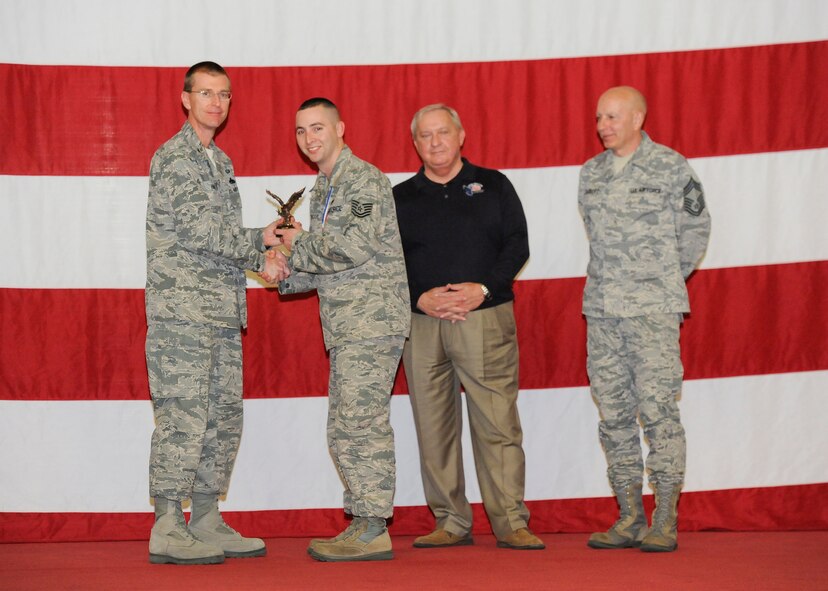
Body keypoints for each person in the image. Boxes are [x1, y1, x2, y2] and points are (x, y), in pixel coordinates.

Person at [145, 61, 288, 565]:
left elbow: (218, 241)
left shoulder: (219, 162)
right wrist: (260, 246)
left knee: (221, 420)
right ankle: (167, 523)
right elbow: (200, 233)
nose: (215, 103)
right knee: (183, 418)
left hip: (221, 314)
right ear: (185, 99)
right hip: (182, 314)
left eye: (223, 95)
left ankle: (204, 517)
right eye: (205, 93)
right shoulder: (176, 157)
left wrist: (260, 254)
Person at [392, 104, 544, 551]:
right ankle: (450, 520)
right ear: (415, 142)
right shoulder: (399, 197)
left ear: (461, 135)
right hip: (422, 322)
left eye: (443, 132)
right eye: (425, 135)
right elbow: (387, 261)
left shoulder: (494, 185)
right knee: (433, 426)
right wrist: (419, 294)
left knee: (497, 422)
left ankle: (510, 521)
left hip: (484, 316)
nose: (435, 142)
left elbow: (517, 245)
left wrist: (481, 289)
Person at [268, 97, 410, 562]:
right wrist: (287, 272)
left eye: (317, 128)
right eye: (301, 131)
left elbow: (355, 246)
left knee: (359, 424)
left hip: (370, 320)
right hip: (349, 322)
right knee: (345, 424)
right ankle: (363, 520)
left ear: (340, 128)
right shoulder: (325, 185)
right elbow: (328, 259)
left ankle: (373, 527)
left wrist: (297, 243)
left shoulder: (361, 178)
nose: (309, 138)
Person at [578, 86, 711, 552]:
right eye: (599, 118)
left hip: (652, 312)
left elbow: (696, 227)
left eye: (612, 117)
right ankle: (630, 515)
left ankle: (666, 517)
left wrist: (662, 280)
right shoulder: (590, 173)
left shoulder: (671, 167)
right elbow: (595, 234)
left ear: (638, 118)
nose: (603, 126)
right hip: (602, 312)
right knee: (613, 415)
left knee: (658, 412)